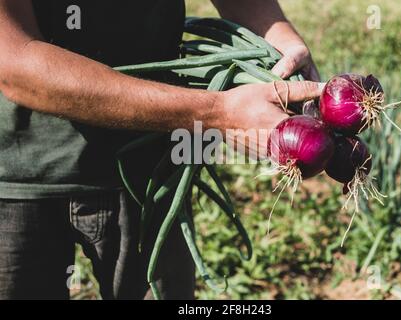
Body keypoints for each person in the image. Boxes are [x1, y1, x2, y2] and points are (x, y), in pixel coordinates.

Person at [0, 0, 323, 300]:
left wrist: (280, 44)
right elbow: (15, 61)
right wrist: (216, 112)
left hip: (153, 167)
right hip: (15, 170)